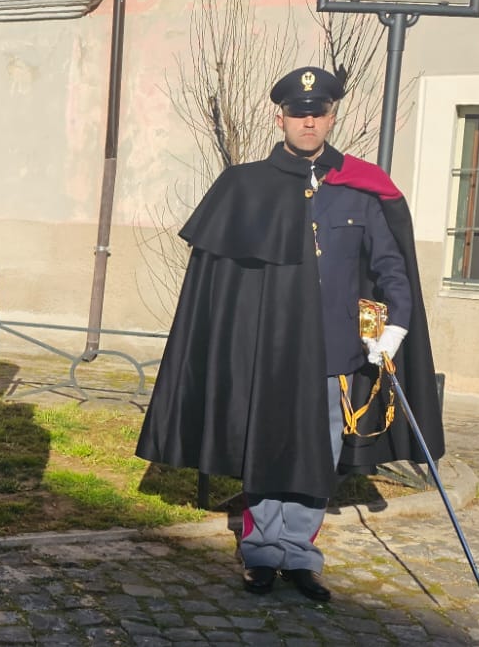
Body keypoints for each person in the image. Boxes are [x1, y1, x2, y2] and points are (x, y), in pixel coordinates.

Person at [137, 66, 442, 603]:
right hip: (268, 348)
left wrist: (395, 324)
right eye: (298, 113)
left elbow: (391, 264)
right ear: (279, 117)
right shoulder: (246, 185)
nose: (308, 121)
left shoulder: (360, 188)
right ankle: (260, 553)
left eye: (318, 113)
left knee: (316, 452)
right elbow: (217, 283)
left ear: (331, 116)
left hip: (332, 348)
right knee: (268, 447)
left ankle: (299, 554)